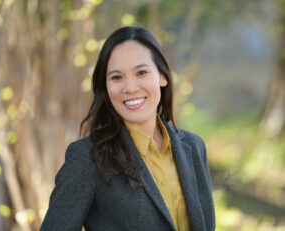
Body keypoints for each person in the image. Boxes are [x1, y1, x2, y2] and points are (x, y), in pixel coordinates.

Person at [40, 26, 215, 231]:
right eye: (116, 77)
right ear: (105, 87)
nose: (130, 88)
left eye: (141, 72)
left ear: (163, 76)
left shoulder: (193, 148)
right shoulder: (87, 158)